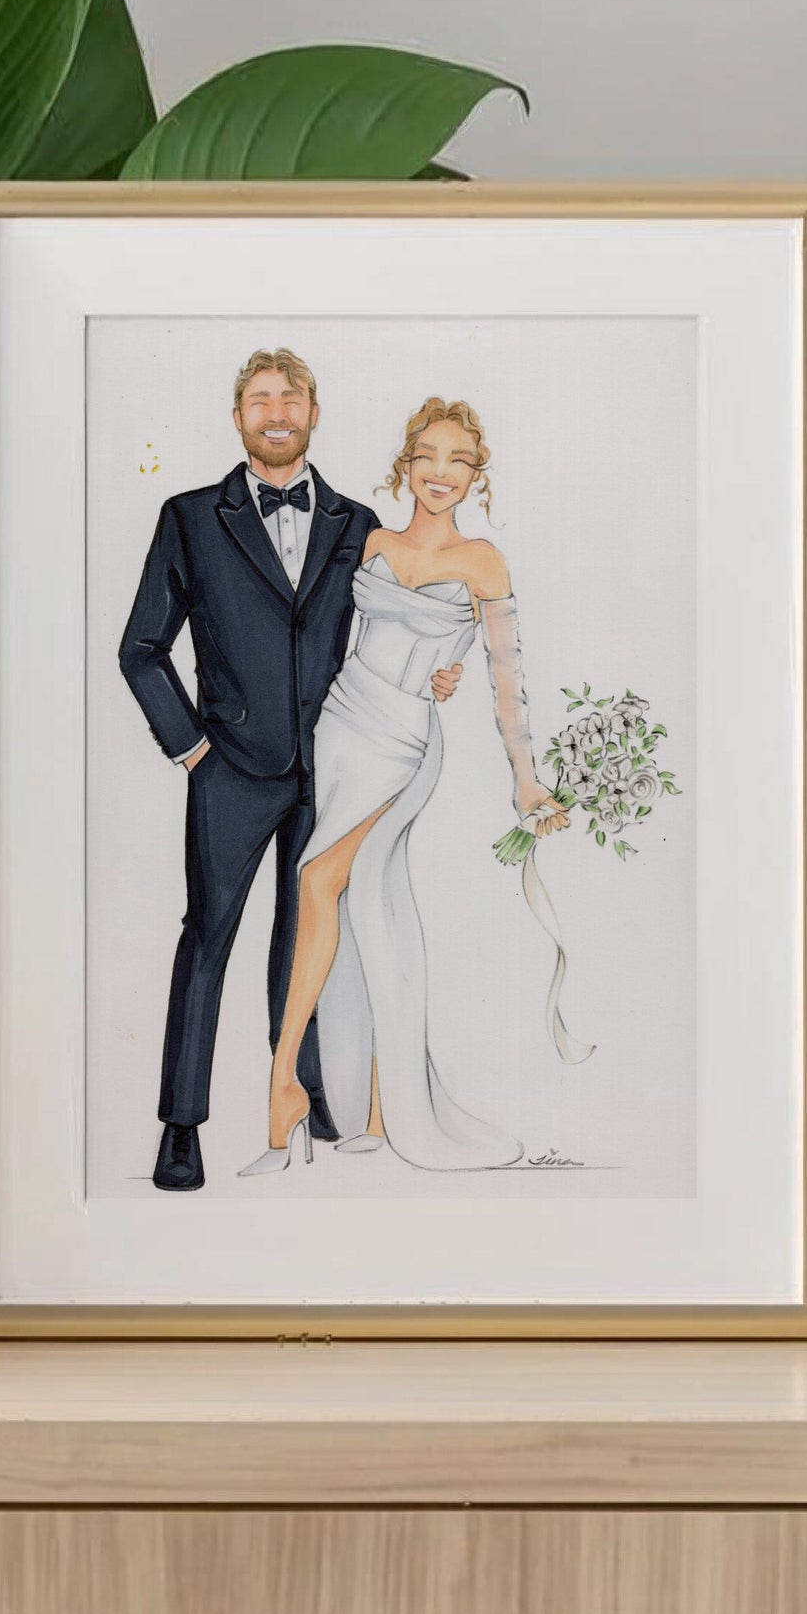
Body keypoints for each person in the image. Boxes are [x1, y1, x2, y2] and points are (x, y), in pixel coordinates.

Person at [113, 350, 457, 1191]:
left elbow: (387, 627)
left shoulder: (355, 520)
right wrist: (191, 747)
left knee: (306, 937)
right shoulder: (190, 516)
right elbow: (141, 648)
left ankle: (304, 1092)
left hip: (335, 765)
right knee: (208, 938)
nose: (276, 412)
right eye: (259, 400)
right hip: (229, 766)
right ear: (238, 419)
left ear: (313, 413)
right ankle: (180, 1127)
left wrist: (440, 671)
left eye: (291, 398)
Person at [250, 397, 566, 1177]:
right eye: (428, 455)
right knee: (367, 909)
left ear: (476, 475)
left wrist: (527, 781)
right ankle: (379, 1110)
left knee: (318, 880)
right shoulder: (371, 542)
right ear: (406, 463)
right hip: (344, 723)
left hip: (404, 740)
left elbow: (506, 680)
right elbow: (329, 636)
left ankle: (283, 1081)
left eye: (459, 461)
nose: (441, 473)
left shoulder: (484, 560)